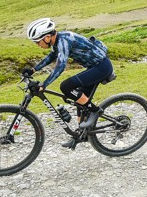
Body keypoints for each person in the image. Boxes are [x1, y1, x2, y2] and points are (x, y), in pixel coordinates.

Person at [23, 18, 114, 148]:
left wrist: (44, 84)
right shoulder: (58, 40)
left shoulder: (64, 41)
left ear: (47, 37)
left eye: (38, 42)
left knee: (66, 86)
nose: (38, 45)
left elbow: (60, 66)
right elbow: (51, 56)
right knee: (80, 98)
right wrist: (33, 70)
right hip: (94, 67)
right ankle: (81, 135)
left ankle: (95, 111)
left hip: (101, 67)